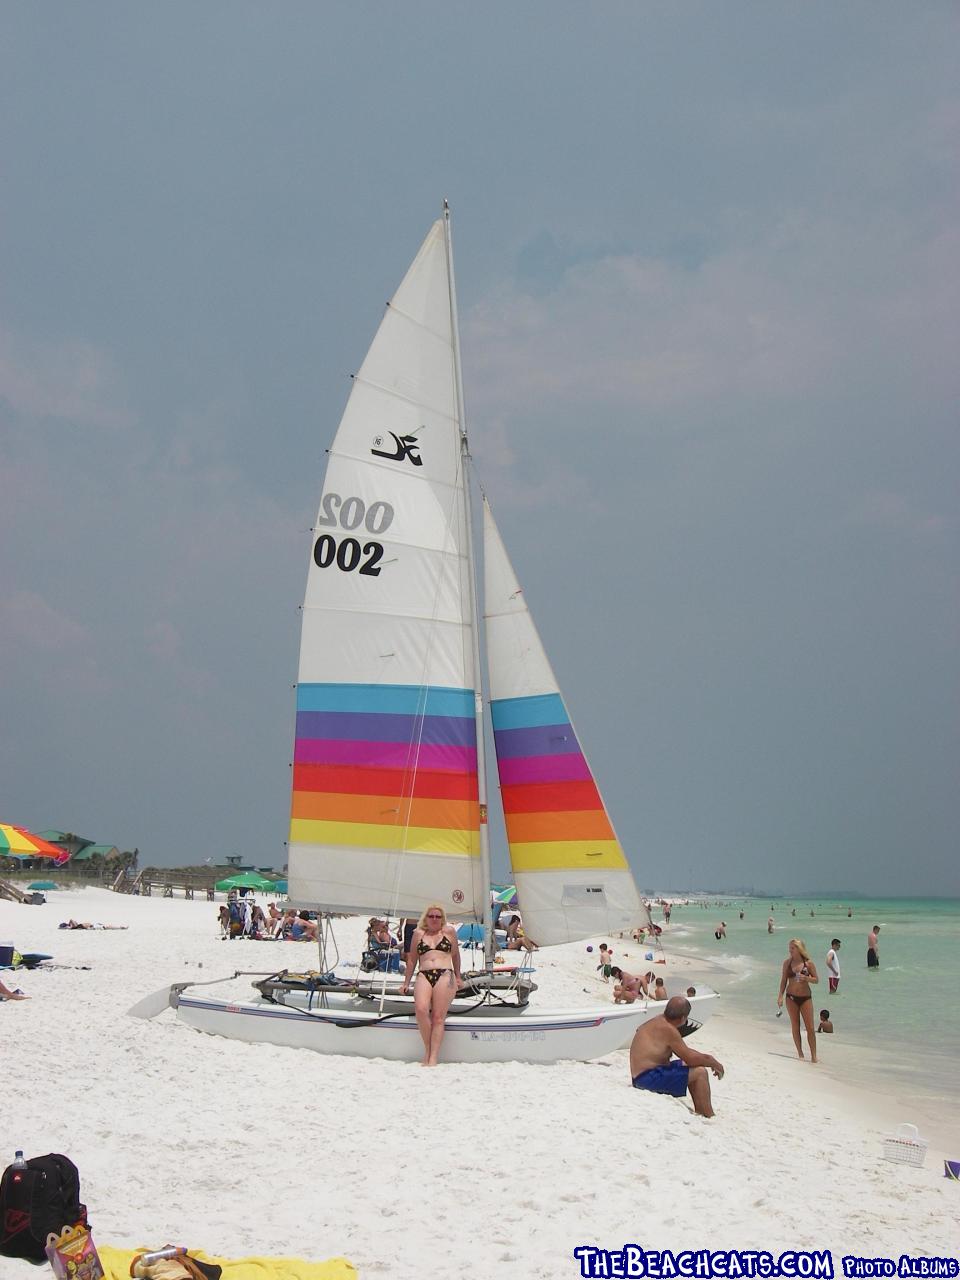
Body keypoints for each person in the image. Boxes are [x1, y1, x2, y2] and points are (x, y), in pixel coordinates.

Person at [629, 996, 724, 1118]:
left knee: (690, 1065)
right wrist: (714, 1063)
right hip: (646, 1079)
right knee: (700, 1072)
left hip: (644, 1074)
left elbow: (686, 1053)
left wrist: (707, 1060)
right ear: (683, 1018)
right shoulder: (668, 1029)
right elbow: (690, 1058)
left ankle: (700, 1111)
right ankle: (708, 1115)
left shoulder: (659, 1021)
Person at [401, 904, 463, 1066]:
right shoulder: (418, 934)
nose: (434, 919)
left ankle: (433, 1056)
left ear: (442, 919)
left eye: (438, 916)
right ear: (425, 918)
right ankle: (428, 1049)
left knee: (437, 1017)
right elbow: (412, 959)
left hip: (445, 974)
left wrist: (458, 976)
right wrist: (406, 983)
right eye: (431, 916)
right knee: (421, 1010)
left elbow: (455, 956)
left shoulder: (449, 932)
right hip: (424, 973)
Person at [777, 938, 819, 1063]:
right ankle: (800, 1054)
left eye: (792, 948)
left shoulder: (808, 964)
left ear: (799, 949)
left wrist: (806, 978)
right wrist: (780, 996)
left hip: (806, 998)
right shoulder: (787, 963)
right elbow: (784, 980)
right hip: (791, 998)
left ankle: (814, 1056)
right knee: (795, 1026)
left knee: (810, 1027)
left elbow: (816, 980)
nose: (790, 951)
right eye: (789, 948)